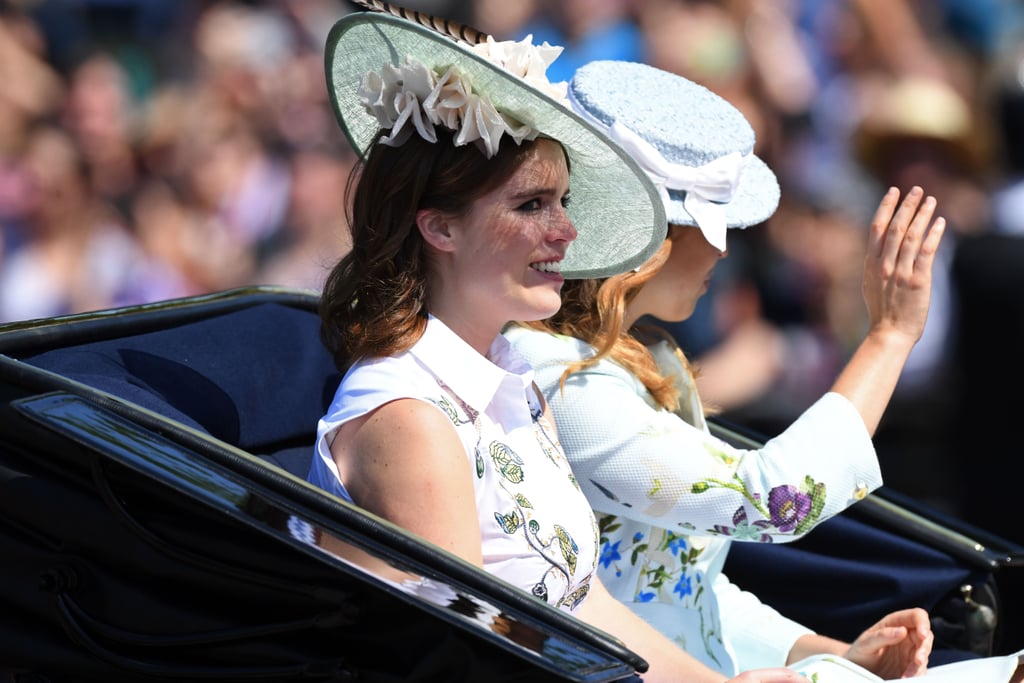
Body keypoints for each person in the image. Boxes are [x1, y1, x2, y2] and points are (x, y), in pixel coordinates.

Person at [306, 8, 815, 683]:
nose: (567, 231)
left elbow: (588, 604)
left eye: (563, 200)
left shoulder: (508, 370)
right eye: (531, 205)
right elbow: (477, 660)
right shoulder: (412, 419)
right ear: (440, 228)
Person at [505, 60, 1024, 682]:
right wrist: (889, 336)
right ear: (651, 235)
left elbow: (681, 584)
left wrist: (825, 650)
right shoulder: (559, 379)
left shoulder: (644, 358)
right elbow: (775, 500)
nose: (725, 249)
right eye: (709, 225)